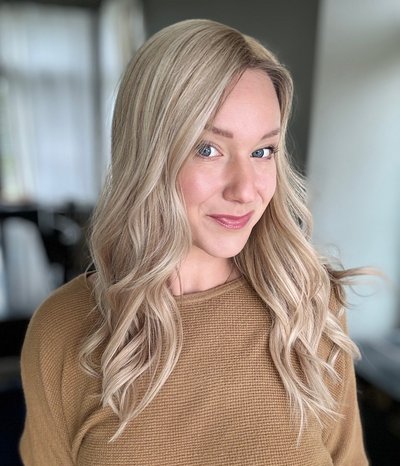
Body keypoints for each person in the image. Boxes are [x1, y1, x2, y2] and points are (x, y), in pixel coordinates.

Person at [19, 19, 369, 465]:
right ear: (148, 154)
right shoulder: (63, 330)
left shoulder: (309, 305)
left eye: (263, 151)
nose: (246, 189)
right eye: (208, 149)